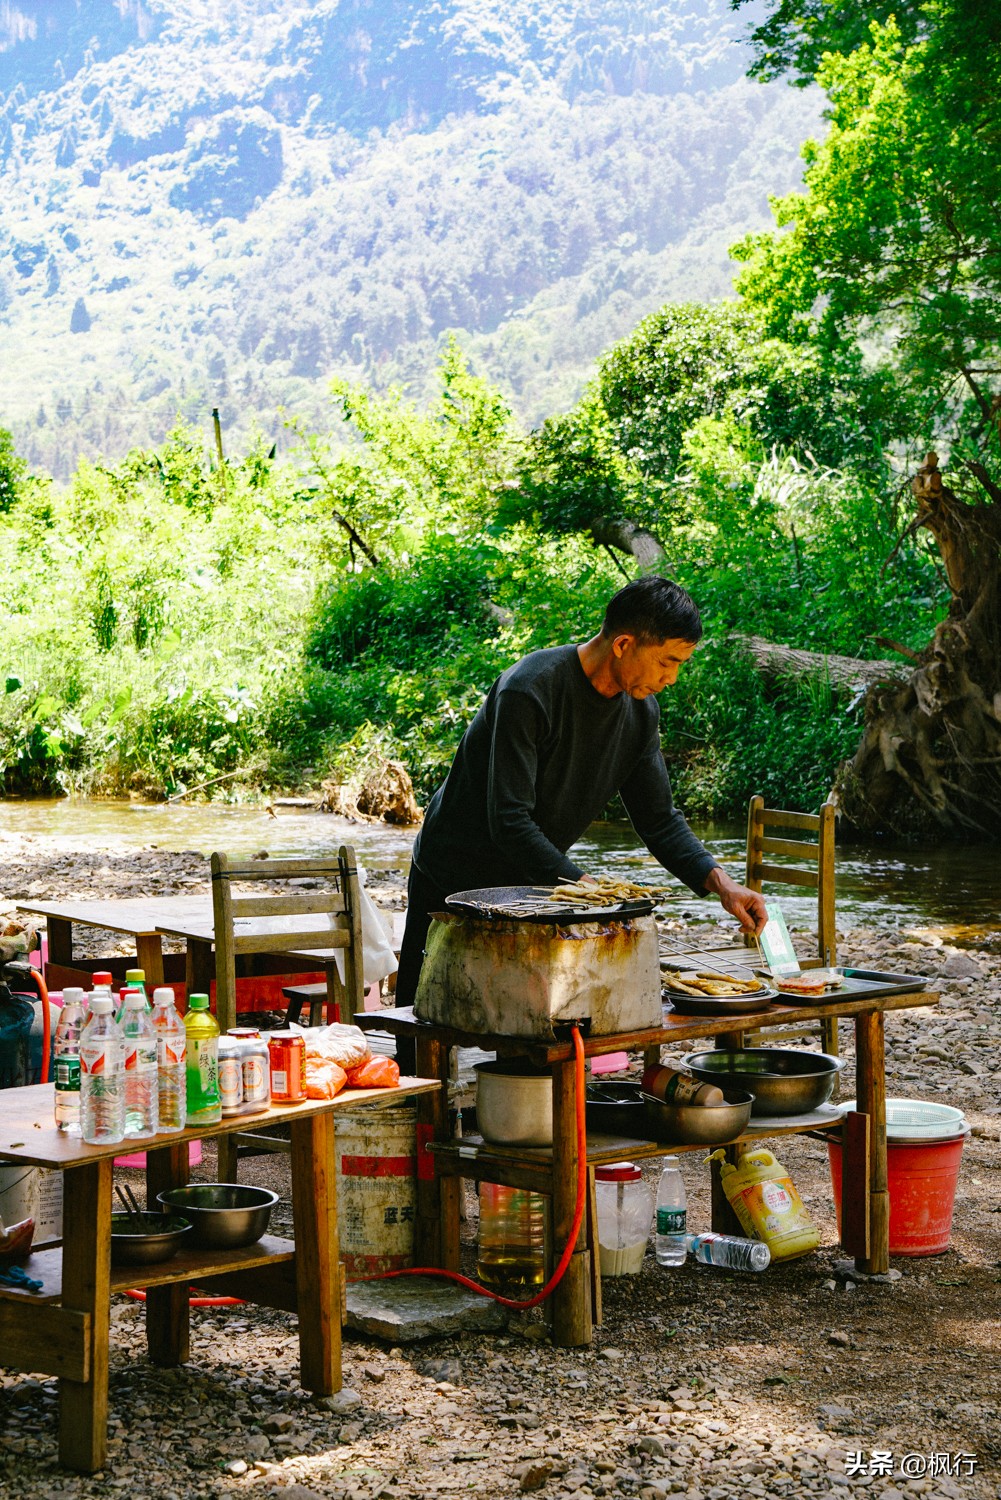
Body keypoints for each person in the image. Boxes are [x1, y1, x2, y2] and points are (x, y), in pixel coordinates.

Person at [396, 575, 768, 1015]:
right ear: (623, 643)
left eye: (680, 664)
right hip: (452, 869)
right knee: (426, 1015)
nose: (672, 678)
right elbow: (509, 820)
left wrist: (722, 885)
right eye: (667, 661)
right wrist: (589, 890)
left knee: (526, 1020)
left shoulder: (640, 710)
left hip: (534, 881)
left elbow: (660, 819)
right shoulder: (530, 688)